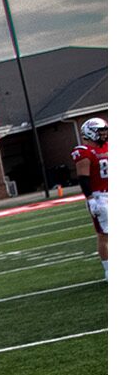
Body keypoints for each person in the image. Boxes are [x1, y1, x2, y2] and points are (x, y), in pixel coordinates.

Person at [72, 117, 108, 280]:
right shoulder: (84, 151)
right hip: (100, 196)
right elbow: (83, 178)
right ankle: (109, 271)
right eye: (100, 131)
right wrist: (90, 198)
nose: (104, 134)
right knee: (105, 235)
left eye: (104, 131)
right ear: (90, 132)